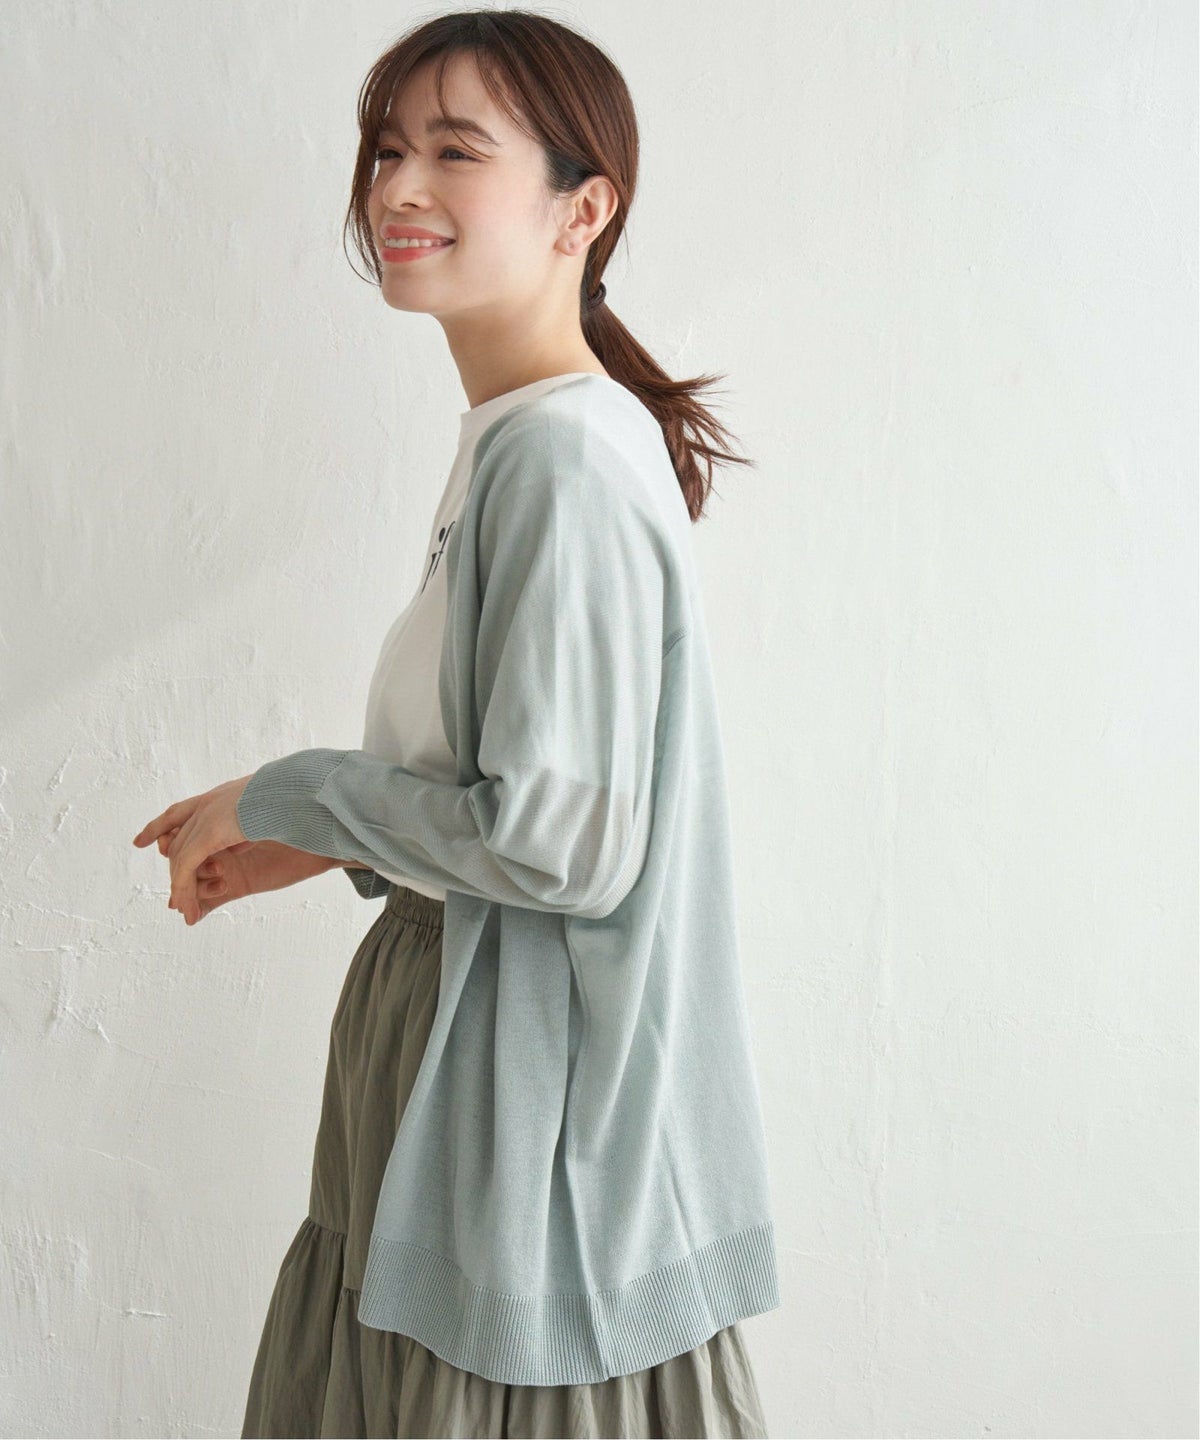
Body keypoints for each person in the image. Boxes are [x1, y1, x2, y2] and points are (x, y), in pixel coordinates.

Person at [132, 11, 780, 1437]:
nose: (398, 188)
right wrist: (330, 843)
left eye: (455, 151)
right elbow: (507, 796)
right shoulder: (525, 439)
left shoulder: (558, 460)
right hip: (474, 1052)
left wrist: (290, 794)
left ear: (582, 209)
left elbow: (559, 847)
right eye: (385, 150)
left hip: (520, 1102)